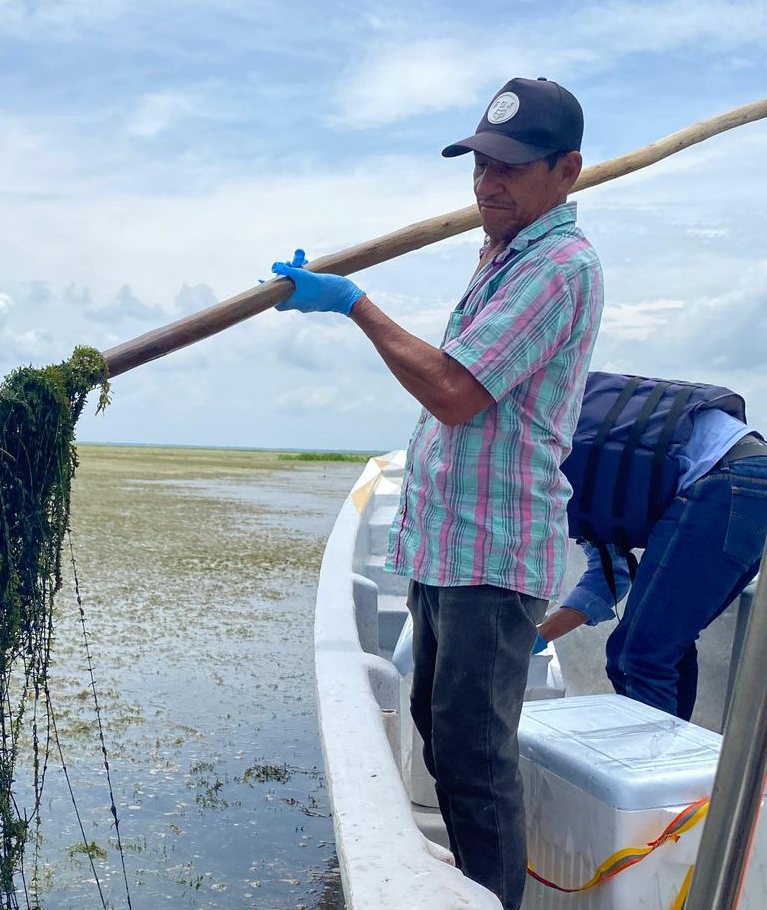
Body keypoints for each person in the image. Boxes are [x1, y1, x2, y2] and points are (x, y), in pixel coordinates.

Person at [271, 77, 603, 910]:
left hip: (494, 556)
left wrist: (354, 303)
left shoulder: (560, 265)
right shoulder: (504, 252)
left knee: (475, 758)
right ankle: (473, 882)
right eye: (481, 165)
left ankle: (492, 896)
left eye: (513, 169)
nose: (489, 184)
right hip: (447, 546)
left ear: (568, 171)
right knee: (436, 725)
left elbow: (455, 392)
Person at [536, 373, 767, 721]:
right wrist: (539, 638)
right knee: (666, 648)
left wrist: (529, 640)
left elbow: (608, 576)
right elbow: (610, 575)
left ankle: (652, 769)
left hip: (722, 482)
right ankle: (679, 767)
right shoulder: (579, 447)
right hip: (749, 479)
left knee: (638, 658)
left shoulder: (540, 462)